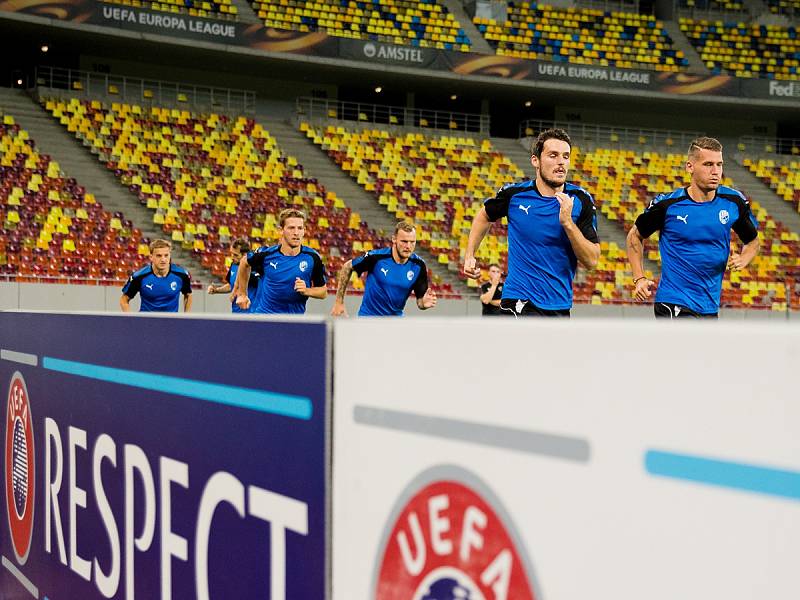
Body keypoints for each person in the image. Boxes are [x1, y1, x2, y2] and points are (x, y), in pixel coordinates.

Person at [463, 128, 600, 317]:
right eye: (553, 155)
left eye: (566, 156)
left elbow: (591, 260)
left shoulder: (581, 200)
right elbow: (484, 216)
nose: (561, 162)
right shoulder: (514, 195)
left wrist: (568, 223)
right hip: (519, 299)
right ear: (535, 160)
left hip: (559, 304)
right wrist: (470, 254)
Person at [627, 136, 760, 318]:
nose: (716, 171)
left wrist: (745, 257)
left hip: (709, 306)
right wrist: (639, 278)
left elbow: (753, 241)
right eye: (708, 164)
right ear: (690, 167)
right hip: (674, 302)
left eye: (719, 164)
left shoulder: (733, 202)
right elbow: (634, 236)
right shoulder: (668, 206)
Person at [330, 221, 437, 317]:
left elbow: (420, 302)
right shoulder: (376, 258)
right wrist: (339, 302)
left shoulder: (418, 265)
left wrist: (424, 303)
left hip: (395, 323)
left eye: (412, 242)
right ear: (394, 239)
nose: (408, 246)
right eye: (404, 241)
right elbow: (347, 267)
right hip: (369, 320)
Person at [234, 208, 327, 314]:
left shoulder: (312, 257)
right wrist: (242, 294)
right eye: (291, 228)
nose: (296, 233)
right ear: (281, 230)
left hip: (294, 321)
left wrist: (307, 290)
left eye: (300, 228)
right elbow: (244, 262)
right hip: (265, 317)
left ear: (304, 231)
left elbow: (323, 292)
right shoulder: (266, 255)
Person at [120, 239, 192, 312]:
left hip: (171, 322)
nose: (163, 259)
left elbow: (188, 295)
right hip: (146, 322)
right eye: (159, 256)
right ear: (151, 257)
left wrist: (186, 316)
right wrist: (131, 320)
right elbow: (124, 300)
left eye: (166, 255)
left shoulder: (182, 275)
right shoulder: (138, 277)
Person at [207, 238, 260, 313]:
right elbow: (230, 285)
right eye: (231, 254)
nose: (232, 257)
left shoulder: (254, 268)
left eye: (235, 255)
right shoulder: (233, 265)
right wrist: (216, 290)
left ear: (245, 255)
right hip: (235, 313)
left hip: (251, 313)